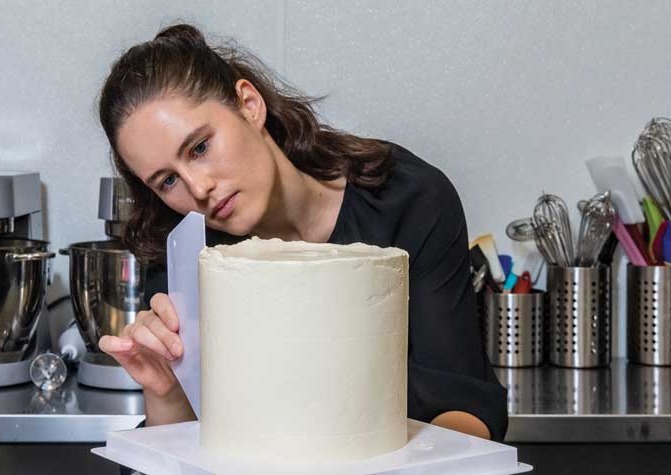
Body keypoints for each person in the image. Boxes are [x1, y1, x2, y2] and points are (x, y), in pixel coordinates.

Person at [97, 23, 507, 441]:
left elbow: (461, 405)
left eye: (200, 147)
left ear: (249, 104)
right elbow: (176, 450)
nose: (198, 189)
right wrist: (165, 389)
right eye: (167, 181)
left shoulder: (408, 200)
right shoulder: (186, 256)